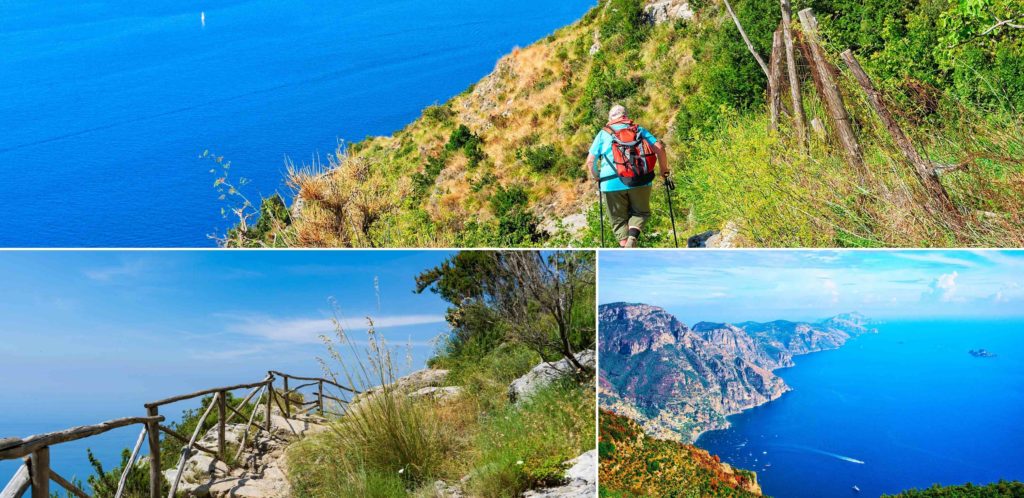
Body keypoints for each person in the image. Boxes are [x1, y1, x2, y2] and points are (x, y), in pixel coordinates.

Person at [584, 104, 669, 247]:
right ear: (626, 116)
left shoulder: (603, 133)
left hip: (611, 183)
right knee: (641, 213)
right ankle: (632, 239)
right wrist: (664, 171)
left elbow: (590, 161)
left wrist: (597, 176)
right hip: (640, 180)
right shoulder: (638, 130)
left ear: (610, 119)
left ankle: (626, 247)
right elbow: (659, 148)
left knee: (618, 220)